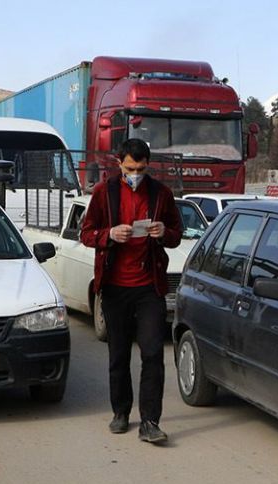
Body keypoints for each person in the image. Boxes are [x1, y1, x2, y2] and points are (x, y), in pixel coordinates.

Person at [80, 138, 183, 444]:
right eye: (129, 168)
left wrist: (164, 232)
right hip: (113, 286)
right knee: (119, 354)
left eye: (140, 168)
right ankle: (121, 412)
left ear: (147, 165)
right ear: (118, 164)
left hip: (149, 286)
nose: (135, 173)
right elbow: (86, 233)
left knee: (152, 353)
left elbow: (176, 234)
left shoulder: (161, 194)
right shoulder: (104, 192)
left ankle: (150, 421)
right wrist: (109, 234)